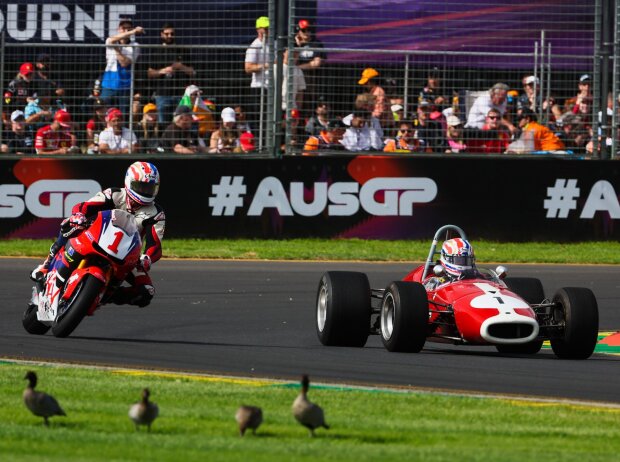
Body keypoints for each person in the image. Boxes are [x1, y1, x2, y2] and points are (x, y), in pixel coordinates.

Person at [30, 161, 165, 308]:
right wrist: (79, 215)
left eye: (149, 188)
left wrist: (147, 258)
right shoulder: (113, 194)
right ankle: (46, 264)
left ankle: (104, 296)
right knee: (69, 223)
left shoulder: (156, 214)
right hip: (96, 236)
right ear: (129, 182)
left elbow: (155, 246)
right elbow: (85, 206)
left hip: (126, 254)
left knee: (146, 292)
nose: (145, 191)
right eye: (141, 186)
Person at [147, 22, 195, 128]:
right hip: (162, 94)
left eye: (172, 34)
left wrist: (180, 66)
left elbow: (192, 72)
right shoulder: (156, 51)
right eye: (167, 34)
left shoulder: (183, 50)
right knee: (162, 123)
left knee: (182, 123)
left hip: (180, 94)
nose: (170, 36)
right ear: (161, 34)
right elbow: (149, 73)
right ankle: (163, 144)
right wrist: (162, 71)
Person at [100, 18, 144, 116]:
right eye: (123, 28)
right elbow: (111, 40)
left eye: (129, 29)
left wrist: (116, 49)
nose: (126, 31)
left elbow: (125, 63)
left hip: (125, 86)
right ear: (118, 29)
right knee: (105, 114)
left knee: (123, 116)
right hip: (108, 85)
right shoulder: (110, 40)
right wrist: (133, 31)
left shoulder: (135, 46)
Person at [244, 16, 270, 127]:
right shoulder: (254, 46)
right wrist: (266, 66)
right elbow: (248, 68)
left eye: (268, 28)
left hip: (271, 87)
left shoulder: (273, 44)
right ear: (258, 29)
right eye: (264, 28)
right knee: (259, 120)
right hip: (259, 87)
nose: (267, 30)